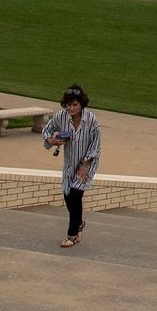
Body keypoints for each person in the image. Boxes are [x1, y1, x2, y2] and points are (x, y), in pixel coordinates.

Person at [41, 84, 102, 248]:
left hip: (87, 163)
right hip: (69, 163)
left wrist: (85, 165)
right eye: (68, 104)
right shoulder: (60, 117)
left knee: (76, 195)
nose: (71, 108)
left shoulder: (91, 120)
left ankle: (72, 235)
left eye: (75, 104)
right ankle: (80, 223)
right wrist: (51, 141)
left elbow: (96, 145)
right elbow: (47, 130)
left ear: (81, 104)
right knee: (68, 196)